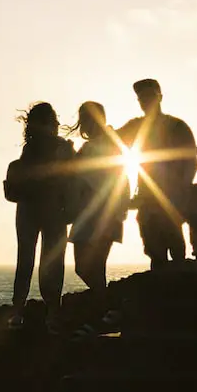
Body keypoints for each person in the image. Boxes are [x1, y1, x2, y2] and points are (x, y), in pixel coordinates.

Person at [3, 102, 76, 334]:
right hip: (50, 209)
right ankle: (49, 313)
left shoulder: (31, 149)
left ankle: (21, 312)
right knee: (49, 262)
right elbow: (70, 178)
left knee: (28, 260)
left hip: (33, 209)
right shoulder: (57, 148)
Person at [116, 79, 197, 270]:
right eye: (141, 98)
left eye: (149, 96)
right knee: (155, 252)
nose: (145, 101)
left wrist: (182, 189)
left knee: (175, 248)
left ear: (159, 97)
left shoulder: (177, 126)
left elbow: (191, 161)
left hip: (172, 198)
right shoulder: (135, 126)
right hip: (147, 198)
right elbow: (109, 143)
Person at [65, 102, 129, 339]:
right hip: (86, 214)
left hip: (104, 214)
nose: (86, 124)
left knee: (94, 266)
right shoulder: (88, 147)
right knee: (84, 267)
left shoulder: (111, 145)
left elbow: (121, 178)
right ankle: (111, 310)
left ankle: (106, 315)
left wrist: (118, 212)